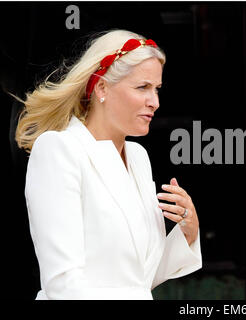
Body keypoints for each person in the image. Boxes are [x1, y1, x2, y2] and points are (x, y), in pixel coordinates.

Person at [15, 29, 202, 300]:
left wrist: (188, 232)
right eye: (143, 87)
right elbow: (62, 283)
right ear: (101, 87)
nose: (155, 102)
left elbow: (137, 280)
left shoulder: (138, 157)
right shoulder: (59, 149)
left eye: (157, 89)